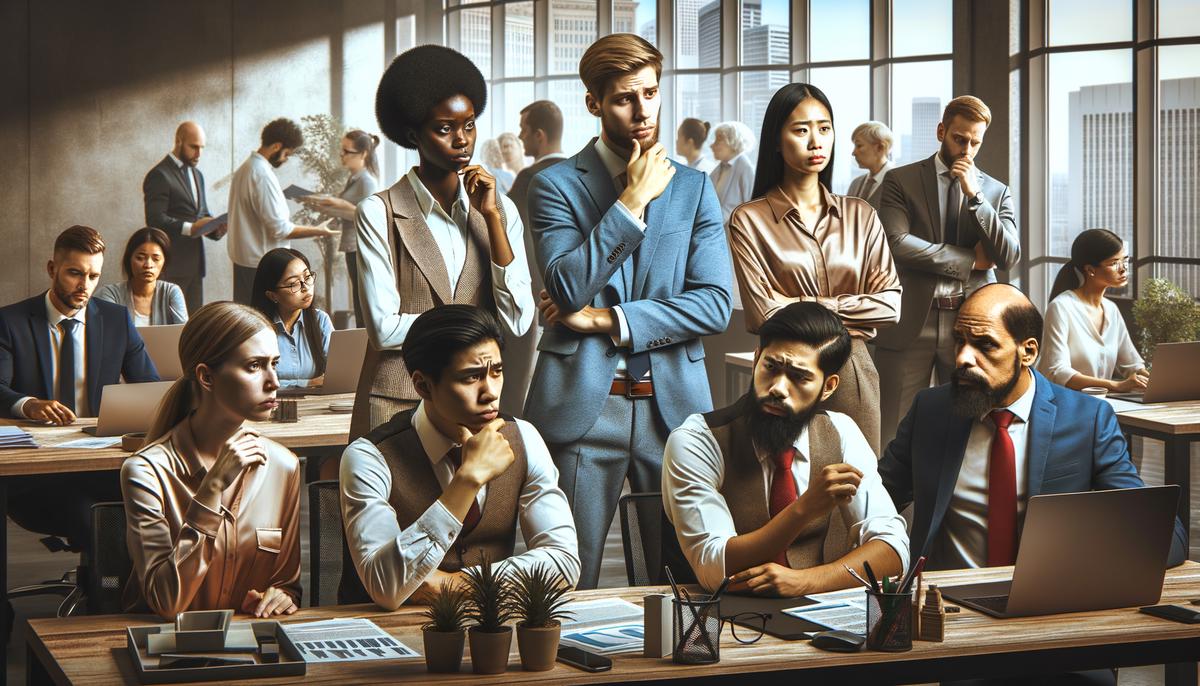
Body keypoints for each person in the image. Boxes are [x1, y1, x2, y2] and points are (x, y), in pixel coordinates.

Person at [524, 33, 733, 589]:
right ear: (593, 103)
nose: (643, 111)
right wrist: (631, 202)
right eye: (624, 98)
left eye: (651, 93)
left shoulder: (694, 188)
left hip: (675, 412)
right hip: (582, 412)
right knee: (567, 582)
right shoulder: (554, 186)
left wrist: (610, 320)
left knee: (685, 580)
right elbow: (567, 287)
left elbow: (715, 304)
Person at [878, 284, 1187, 571]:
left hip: (1050, 601)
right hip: (944, 606)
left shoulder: (1087, 420)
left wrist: (1085, 562)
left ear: (1028, 352)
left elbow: (1164, 537)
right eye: (959, 340)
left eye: (985, 345)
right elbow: (878, 499)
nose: (962, 358)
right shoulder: (931, 410)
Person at [339, 305, 579, 608]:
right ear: (423, 385)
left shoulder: (524, 438)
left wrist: (457, 584)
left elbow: (564, 562)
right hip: (385, 637)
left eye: (497, 372)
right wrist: (468, 478)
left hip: (491, 632)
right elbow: (386, 585)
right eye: (471, 377)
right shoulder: (369, 457)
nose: (490, 392)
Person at [352, 45, 534, 439]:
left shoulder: (499, 211)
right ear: (414, 134)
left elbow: (518, 320)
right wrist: (474, 325)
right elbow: (383, 330)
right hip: (398, 402)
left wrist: (492, 219)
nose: (462, 141)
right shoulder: (377, 212)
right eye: (445, 128)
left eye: (469, 125)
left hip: (475, 405)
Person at [663, 302, 908, 594]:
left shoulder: (841, 433)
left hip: (821, 615)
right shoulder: (696, 441)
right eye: (771, 367)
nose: (778, 387)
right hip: (718, 621)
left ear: (828, 387)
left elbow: (894, 550)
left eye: (799, 377)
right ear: (756, 361)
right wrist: (804, 509)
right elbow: (713, 570)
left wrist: (805, 582)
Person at [729, 83, 900, 456]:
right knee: (780, 486)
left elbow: (889, 305)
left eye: (824, 128)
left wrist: (800, 302)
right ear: (776, 140)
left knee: (853, 489)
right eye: (801, 129)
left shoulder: (861, 215)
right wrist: (854, 308)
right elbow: (763, 313)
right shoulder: (750, 219)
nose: (815, 141)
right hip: (781, 373)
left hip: (853, 370)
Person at [121, 302, 301, 619]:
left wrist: (281, 596)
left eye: (274, 363)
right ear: (206, 377)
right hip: (167, 652)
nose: (274, 381)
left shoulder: (284, 466)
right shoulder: (146, 471)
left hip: (254, 650)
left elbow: (286, 584)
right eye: (255, 366)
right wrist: (211, 488)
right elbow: (167, 602)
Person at [0, 225, 159, 554]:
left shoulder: (117, 320)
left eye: (93, 276)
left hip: (100, 463)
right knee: (90, 518)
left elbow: (152, 389)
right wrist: (28, 405)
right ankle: (105, 592)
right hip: (38, 472)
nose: (84, 286)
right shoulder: (10, 321)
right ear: (51, 269)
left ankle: (124, 596)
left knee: (149, 510)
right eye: (74, 273)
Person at [874, 96, 1020, 446]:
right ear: (941, 131)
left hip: (969, 325)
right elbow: (895, 244)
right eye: (959, 138)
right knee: (893, 431)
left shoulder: (996, 192)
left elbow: (1009, 254)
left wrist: (975, 196)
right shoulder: (900, 181)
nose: (966, 149)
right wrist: (969, 261)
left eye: (975, 142)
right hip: (911, 322)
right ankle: (895, 502)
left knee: (965, 429)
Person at [227, 118, 340, 305]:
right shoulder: (262, 175)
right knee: (262, 324)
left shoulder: (244, 169)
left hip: (244, 262)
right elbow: (280, 229)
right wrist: (319, 230)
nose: (286, 159)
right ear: (277, 146)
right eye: (286, 154)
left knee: (246, 323)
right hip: (261, 265)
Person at [505, 100, 568, 417]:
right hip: (576, 300)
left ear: (540, 135)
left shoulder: (529, 180)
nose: (520, 135)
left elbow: (508, 240)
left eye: (524, 130)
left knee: (525, 394)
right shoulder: (581, 175)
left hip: (536, 299)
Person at [1039, 229, 1147, 393]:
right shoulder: (1061, 307)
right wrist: (1115, 385)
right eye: (1113, 263)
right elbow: (1057, 371)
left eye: (1125, 260)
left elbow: (1132, 365)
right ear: (1090, 269)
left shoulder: (1111, 309)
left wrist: (1151, 379)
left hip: (1101, 404)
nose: (1123, 269)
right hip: (1063, 403)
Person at [143, 121, 226, 314]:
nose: (199, 154)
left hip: (196, 266)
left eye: (202, 148)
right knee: (170, 325)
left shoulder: (198, 175)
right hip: (171, 265)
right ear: (178, 141)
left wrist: (217, 229)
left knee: (195, 327)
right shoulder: (159, 175)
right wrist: (192, 228)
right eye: (194, 147)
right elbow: (154, 219)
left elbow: (202, 214)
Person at [304, 129, 382, 327]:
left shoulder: (367, 181)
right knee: (358, 299)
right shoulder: (354, 178)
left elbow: (369, 216)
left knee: (362, 301)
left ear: (363, 154)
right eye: (342, 151)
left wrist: (338, 205)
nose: (342, 156)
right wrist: (330, 206)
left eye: (347, 152)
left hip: (361, 246)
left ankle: (366, 346)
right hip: (352, 245)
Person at [250, 248, 332, 389]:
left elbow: (335, 374)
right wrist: (307, 383)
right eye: (293, 283)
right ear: (272, 295)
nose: (305, 288)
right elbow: (254, 381)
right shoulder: (256, 329)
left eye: (307, 277)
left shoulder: (321, 320)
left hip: (316, 405)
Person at [95, 227, 189, 326]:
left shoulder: (171, 292)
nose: (148, 265)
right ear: (129, 259)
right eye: (140, 258)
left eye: (156, 259)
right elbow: (110, 336)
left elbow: (184, 334)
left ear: (164, 262)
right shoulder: (109, 294)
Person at [709, 121, 757, 225]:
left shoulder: (746, 170)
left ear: (733, 142)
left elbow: (751, 208)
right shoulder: (718, 169)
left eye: (718, 140)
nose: (712, 146)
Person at [846, 121, 895, 209]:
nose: (854, 153)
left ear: (880, 147)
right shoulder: (855, 184)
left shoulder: (899, 183)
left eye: (859, 145)